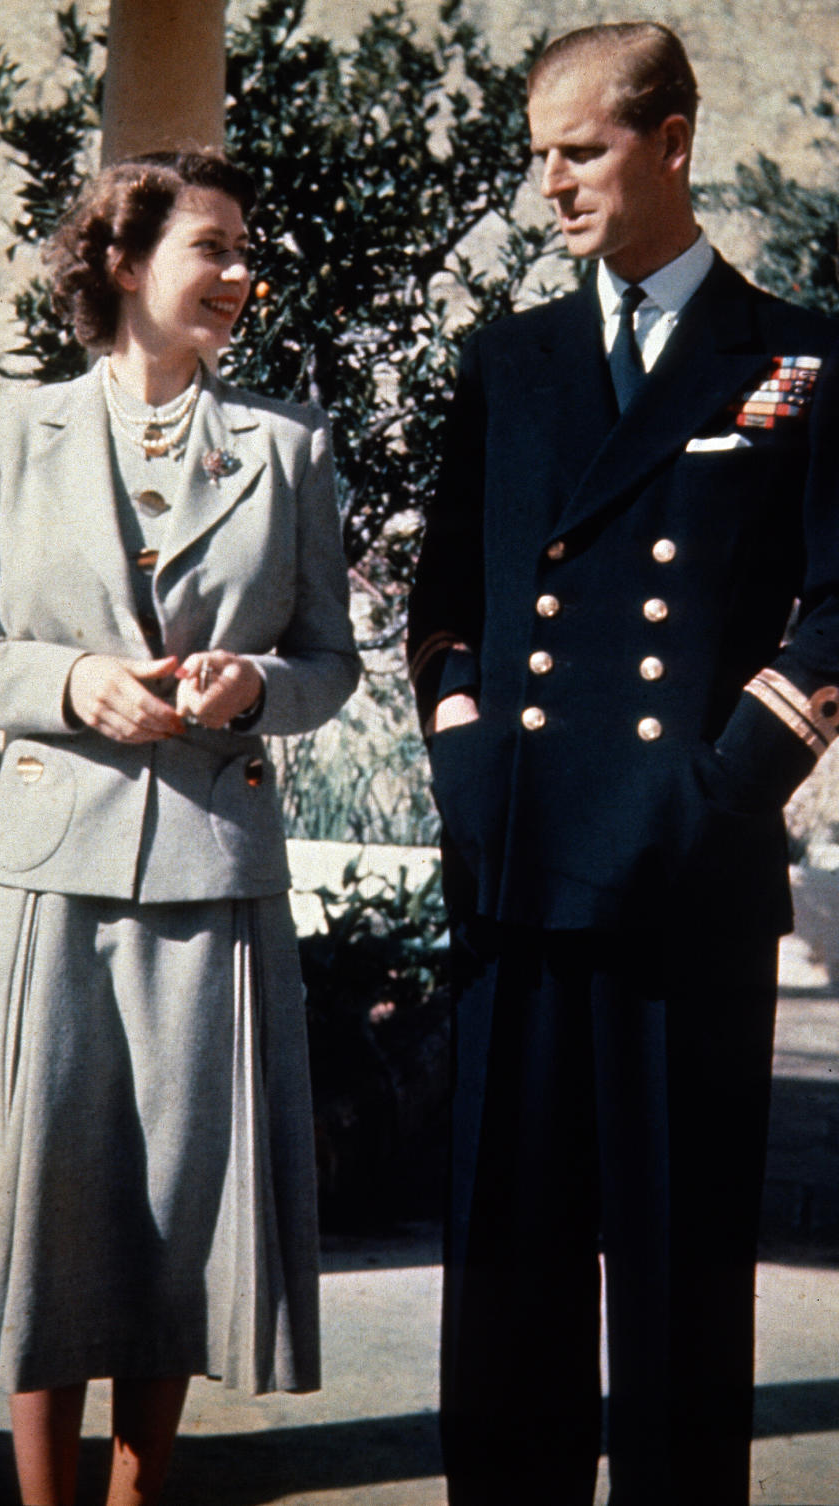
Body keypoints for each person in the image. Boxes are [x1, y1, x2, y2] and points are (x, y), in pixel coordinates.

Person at [407, 22, 839, 1506]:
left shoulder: (794, 357)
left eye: (578, 150)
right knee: (508, 1274)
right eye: (538, 154)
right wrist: (466, 762)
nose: (551, 187)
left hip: (688, 877)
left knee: (679, 1291)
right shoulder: (509, 360)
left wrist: (725, 784)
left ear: (671, 140)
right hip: (522, 862)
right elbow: (444, 598)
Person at [0, 149, 360, 1506]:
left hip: (214, 879)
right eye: (210, 246)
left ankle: (145, 1493)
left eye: (244, 249)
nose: (239, 273)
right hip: (47, 879)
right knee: (50, 1205)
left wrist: (256, 685)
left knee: (179, 1215)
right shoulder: (15, 433)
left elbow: (329, 664)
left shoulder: (288, 448)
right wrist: (70, 682)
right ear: (121, 260)